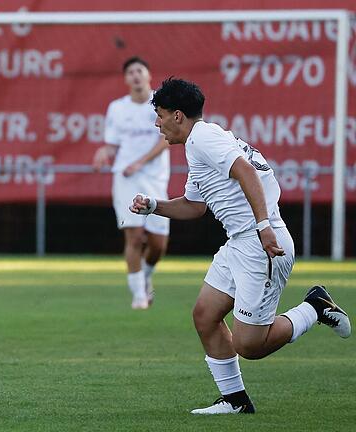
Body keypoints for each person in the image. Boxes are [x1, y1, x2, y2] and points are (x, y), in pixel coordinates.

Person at [131, 77, 351, 414]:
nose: (156, 123)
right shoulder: (197, 145)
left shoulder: (204, 137)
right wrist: (153, 207)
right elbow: (195, 206)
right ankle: (235, 401)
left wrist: (263, 227)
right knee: (205, 315)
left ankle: (314, 308)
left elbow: (245, 171)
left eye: (159, 115)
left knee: (250, 345)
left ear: (178, 116)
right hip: (240, 243)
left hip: (261, 244)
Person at [93, 57, 170, 309]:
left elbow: (167, 139)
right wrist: (104, 152)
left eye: (139, 71)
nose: (135, 76)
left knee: (158, 244)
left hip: (155, 178)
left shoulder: (162, 102)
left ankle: (145, 279)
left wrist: (141, 161)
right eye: (130, 72)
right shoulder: (117, 107)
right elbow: (113, 143)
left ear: (148, 75)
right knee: (134, 236)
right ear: (126, 79)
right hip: (126, 177)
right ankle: (138, 296)